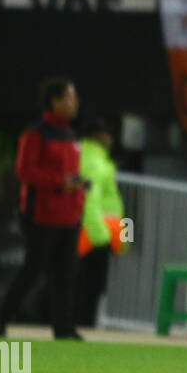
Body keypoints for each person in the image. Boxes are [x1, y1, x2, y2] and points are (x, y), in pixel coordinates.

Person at [0, 77, 85, 340]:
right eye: (69, 96)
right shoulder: (36, 133)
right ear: (54, 102)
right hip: (41, 215)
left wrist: (77, 195)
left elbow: (69, 174)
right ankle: (0, 320)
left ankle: (63, 328)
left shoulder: (71, 134)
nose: (75, 102)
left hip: (68, 216)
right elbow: (25, 171)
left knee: (65, 274)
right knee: (32, 270)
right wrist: (59, 183)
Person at [74, 116, 125, 327]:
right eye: (108, 134)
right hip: (94, 235)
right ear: (98, 136)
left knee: (88, 286)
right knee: (90, 286)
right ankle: (84, 327)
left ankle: (82, 325)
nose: (111, 139)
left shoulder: (94, 158)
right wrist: (100, 235)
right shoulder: (94, 161)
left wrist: (123, 238)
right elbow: (89, 198)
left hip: (96, 232)